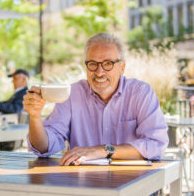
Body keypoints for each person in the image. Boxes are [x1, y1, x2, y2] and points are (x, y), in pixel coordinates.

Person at [23, 33, 169, 166]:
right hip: (84, 184)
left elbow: (156, 144)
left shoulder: (140, 93)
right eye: (93, 64)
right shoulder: (72, 94)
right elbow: (43, 147)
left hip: (134, 183)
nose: (99, 72)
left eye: (108, 64)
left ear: (122, 67)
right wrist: (35, 117)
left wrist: (103, 150)